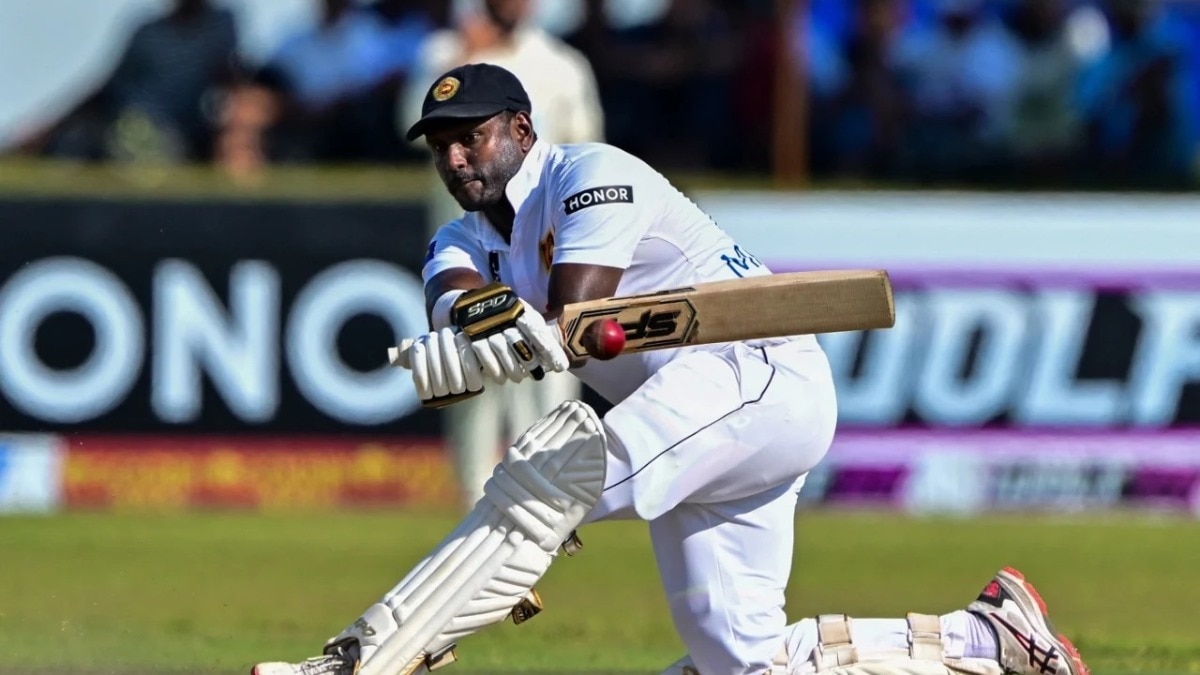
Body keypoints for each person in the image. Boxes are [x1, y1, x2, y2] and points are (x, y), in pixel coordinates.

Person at [252, 64, 1090, 675]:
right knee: (744, 663)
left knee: (546, 482)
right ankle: (989, 637)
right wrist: (465, 329)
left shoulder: (593, 177)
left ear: (519, 129)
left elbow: (577, 315)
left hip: (751, 374)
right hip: (691, 415)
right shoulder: (462, 234)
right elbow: (453, 295)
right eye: (442, 147)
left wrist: (507, 336)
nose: (458, 160)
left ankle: (361, 660)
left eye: (471, 137)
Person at [399, 0, 605, 512]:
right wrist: (459, 59)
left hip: (547, 247)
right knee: (472, 368)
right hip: (466, 243)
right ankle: (475, 507)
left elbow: (587, 150)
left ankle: (551, 507)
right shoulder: (442, 52)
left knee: (553, 369)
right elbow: (408, 122)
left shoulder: (561, 63)